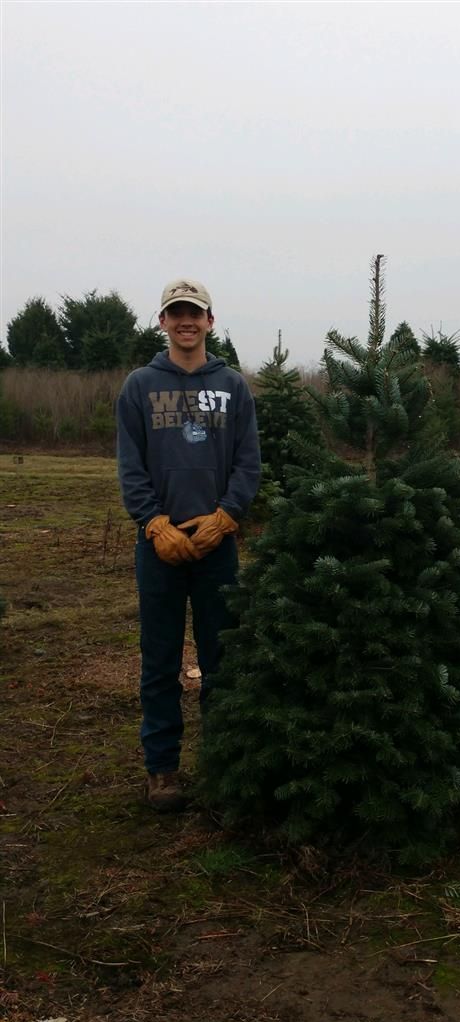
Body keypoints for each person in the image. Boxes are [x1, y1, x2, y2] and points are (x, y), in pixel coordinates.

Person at [116, 279, 261, 812]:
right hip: (159, 547)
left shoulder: (233, 386)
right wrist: (154, 523)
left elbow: (248, 462)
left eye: (194, 314)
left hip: (215, 544)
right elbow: (130, 465)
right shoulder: (139, 385)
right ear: (162, 322)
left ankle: (221, 763)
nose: (186, 322)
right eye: (176, 314)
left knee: (221, 658)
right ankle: (163, 769)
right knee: (159, 660)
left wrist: (226, 517)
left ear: (209, 321)